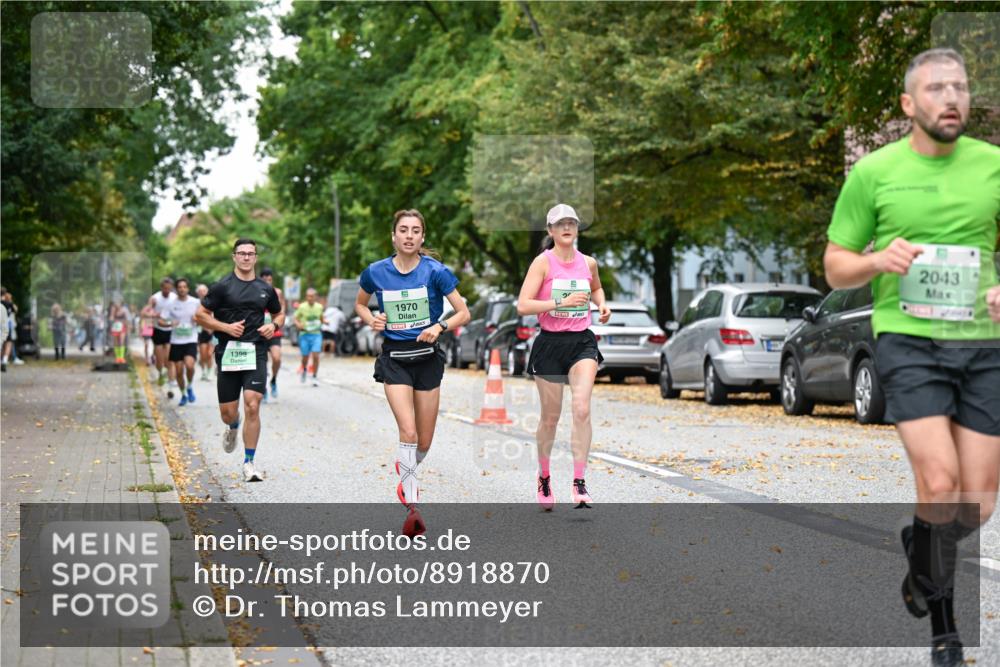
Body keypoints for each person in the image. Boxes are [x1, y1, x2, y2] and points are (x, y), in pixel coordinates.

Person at [824, 48, 1000, 667]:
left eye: (959, 87)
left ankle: (920, 552)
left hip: (982, 343)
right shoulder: (874, 173)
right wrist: (877, 260)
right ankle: (945, 630)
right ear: (908, 104)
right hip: (909, 340)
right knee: (941, 482)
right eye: (935, 89)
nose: (950, 98)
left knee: (978, 499)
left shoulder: (993, 166)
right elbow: (836, 263)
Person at [355, 209, 470, 535]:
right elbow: (361, 304)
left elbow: (463, 312)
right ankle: (413, 509)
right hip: (395, 358)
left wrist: (440, 326)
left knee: (424, 441)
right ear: (394, 236)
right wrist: (371, 319)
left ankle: (407, 467)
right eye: (403, 230)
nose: (408, 235)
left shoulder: (436, 272)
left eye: (415, 231)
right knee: (408, 433)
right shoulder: (375, 272)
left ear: (422, 238)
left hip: (428, 359)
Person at [516, 204, 611, 511]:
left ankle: (579, 481)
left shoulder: (589, 263)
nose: (567, 227)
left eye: (571, 223)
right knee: (551, 418)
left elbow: (596, 289)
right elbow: (523, 305)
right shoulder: (542, 263)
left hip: (582, 342)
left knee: (582, 408)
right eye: (560, 224)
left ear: (577, 228)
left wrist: (603, 305)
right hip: (550, 344)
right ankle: (544, 476)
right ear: (551, 231)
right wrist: (561, 301)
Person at [195, 239, 283, 483]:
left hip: (256, 351)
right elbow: (200, 315)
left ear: (255, 257)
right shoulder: (221, 287)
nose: (246, 258)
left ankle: (249, 462)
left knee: (253, 404)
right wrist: (225, 327)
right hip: (228, 353)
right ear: (234, 256)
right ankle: (233, 426)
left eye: (250, 254)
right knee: (228, 413)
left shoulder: (265, 289)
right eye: (241, 253)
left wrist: (273, 325)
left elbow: (279, 313)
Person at [165, 278, 200, 406]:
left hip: (191, 339)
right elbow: (161, 321)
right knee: (179, 371)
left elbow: (204, 316)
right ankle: (183, 393)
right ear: (176, 289)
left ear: (188, 289)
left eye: (184, 287)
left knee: (190, 366)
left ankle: (190, 386)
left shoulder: (195, 302)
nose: (182, 289)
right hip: (176, 341)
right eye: (180, 287)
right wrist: (170, 323)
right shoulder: (170, 304)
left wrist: (197, 319)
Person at [258, 268, 286, 401]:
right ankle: (263, 389)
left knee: (277, 358)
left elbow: (282, 310)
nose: (268, 282)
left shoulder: (278, 292)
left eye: (270, 279)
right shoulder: (255, 291)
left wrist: (279, 322)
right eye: (265, 280)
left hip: (274, 330)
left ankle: (273, 380)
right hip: (260, 332)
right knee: (262, 363)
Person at [147, 278, 177, 390]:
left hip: (170, 330)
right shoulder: (155, 298)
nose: (167, 290)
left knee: (169, 357)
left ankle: (171, 380)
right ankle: (160, 373)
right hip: (158, 329)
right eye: (165, 288)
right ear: (161, 287)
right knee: (159, 358)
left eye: (169, 288)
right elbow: (146, 312)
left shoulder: (174, 297)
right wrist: (155, 315)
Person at [293, 288, 325, 386]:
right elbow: (295, 318)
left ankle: (314, 376)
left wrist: (324, 322)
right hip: (304, 335)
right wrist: (298, 325)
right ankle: (304, 370)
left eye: (312, 296)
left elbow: (321, 318)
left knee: (316, 355)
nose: (310, 298)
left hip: (316, 334)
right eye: (308, 296)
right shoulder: (302, 307)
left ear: (315, 297)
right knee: (305, 357)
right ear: (306, 297)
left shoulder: (319, 307)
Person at [195, 284, 216, 381]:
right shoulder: (196, 304)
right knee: (203, 354)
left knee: (209, 354)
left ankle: (208, 373)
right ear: (198, 293)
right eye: (200, 291)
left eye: (204, 291)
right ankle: (203, 371)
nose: (202, 293)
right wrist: (204, 325)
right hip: (202, 332)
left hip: (213, 331)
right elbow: (195, 318)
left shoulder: (213, 301)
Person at [140, 301, 157, 366]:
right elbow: (142, 315)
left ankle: (153, 356)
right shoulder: (146, 309)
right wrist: (141, 330)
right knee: (146, 345)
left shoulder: (156, 309)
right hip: (146, 329)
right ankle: (147, 359)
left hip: (154, 328)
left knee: (156, 345)